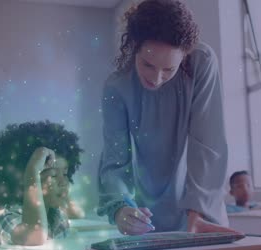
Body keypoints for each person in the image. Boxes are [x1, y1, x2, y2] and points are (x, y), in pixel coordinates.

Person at [97, 0, 240, 235]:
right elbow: (115, 162)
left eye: (169, 69)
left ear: (184, 57)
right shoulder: (116, 87)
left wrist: (197, 214)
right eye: (148, 64)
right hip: (145, 219)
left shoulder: (201, 62)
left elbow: (208, 145)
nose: (157, 78)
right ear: (134, 46)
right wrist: (121, 207)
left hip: (201, 215)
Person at [0, 121, 83, 245]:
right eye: (54, 175)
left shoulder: (58, 218)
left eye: (65, 174)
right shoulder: (8, 218)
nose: (63, 182)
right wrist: (33, 169)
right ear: (28, 179)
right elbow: (35, 235)